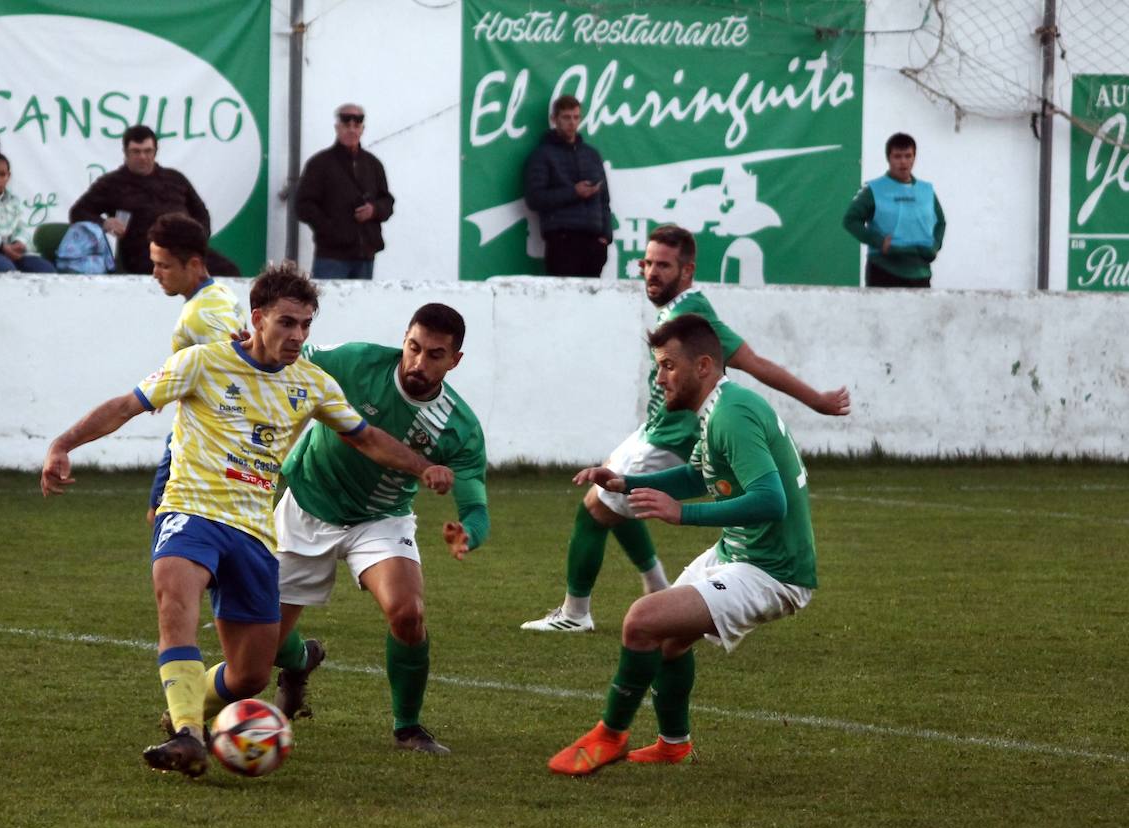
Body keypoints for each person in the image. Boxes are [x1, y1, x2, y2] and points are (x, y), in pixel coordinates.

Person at [41, 262, 454, 778]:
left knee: (250, 675)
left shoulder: (312, 384)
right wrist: (63, 444)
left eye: (305, 325)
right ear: (257, 318)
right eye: (286, 323)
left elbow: (367, 438)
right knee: (176, 604)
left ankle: (206, 706)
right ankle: (188, 732)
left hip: (256, 532)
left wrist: (424, 467)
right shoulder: (201, 363)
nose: (297, 335)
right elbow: (127, 405)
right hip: (190, 510)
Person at [521, 224, 847, 633]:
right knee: (615, 495)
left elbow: (752, 362)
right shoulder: (680, 310)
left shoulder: (689, 318)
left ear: (687, 271)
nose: (651, 273)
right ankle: (658, 588)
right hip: (657, 428)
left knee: (593, 511)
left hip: (671, 435)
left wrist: (816, 400)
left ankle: (575, 614)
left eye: (663, 265)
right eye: (647, 263)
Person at [548, 313, 818, 775]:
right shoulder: (720, 409)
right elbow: (698, 473)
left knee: (641, 620)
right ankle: (674, 745)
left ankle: (610, 735)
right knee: (668, 638)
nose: (661, 378)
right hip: (740, 552)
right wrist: (625, 481)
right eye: (658, 367)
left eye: (669, 366)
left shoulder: (731, 414)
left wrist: (682, 513)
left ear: (704, 366)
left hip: (773, 570)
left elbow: (771, 501)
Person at [271, 303, 488, 755]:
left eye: (434, 355)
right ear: (403, 339)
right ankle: (299, 660)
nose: (418, 362)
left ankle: (407, 726)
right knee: (263, 644)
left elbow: (475, 503)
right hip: (308, 502)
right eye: (413, 347)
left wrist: (467, 532)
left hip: (380, 517)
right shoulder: (357, 361)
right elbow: (289, 355)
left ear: (455, 361)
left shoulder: (459, 426)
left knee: (408, 614)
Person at [144, 212, 248, 524]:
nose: (155, 273)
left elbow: (230, 365)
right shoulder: (221, 295)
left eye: (163, 265)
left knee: (164, 519)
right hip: (200, 433)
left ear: (192, 264)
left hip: (200, 440)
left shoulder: (202, 314)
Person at [69, 125, 211, 276]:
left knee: (227, 270)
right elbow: (78, 212)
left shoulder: (175, 179)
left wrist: (198, 239)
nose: (142, 157)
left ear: (155, 151)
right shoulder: (112, 183)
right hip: (143, 256)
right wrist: (105, 223)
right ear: (125, 153)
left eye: (147, 151)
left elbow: (201, 212)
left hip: (186, 251)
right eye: (136, 151)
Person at [295, 103, 394, 279]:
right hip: (331, 256)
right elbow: (303, 206)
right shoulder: (320, 164)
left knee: (362, 305)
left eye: (356, 126)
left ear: (362, 129)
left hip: (365, 256)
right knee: (326, 305)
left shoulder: (373, 165)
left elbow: (387, 202)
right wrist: (332, 229)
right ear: (337, 128)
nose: (351, 130)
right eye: (346, 125)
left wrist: (374, 210)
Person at [523, 94, 612, 278]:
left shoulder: (592, 154)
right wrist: (574, 192)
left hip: (593, 242)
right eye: (566, 117)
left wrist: (605, 237)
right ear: (554, 119)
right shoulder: (542, 155)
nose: (572, 123)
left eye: (576, 117)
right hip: (562, 240)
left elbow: (604, 200)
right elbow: (535, 198)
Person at [843, 132, 945, 288]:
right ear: (888, 158)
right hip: (884, 270)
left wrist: (935, 246)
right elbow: (850, 220)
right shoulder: (873, 189)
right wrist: (878, 241)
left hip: (920, 271)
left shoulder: (927, 190)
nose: (903, 162)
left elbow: (941, 222)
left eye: (908, 156)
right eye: (897, 156)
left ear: (914, 157)